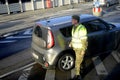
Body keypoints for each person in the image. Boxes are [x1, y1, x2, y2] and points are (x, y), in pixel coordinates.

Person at [69, 15, 88, 80]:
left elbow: (84, 40)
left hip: (80, 48)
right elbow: (74, 37)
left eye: (72, 20)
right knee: (80, 61)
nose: (71, 21)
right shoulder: (74, 27)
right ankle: (82, 69)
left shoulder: (82, 28)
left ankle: (77, 75)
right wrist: (71, 43)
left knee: (77, 62)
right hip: (75, 48)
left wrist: (83, 50)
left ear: (76, 21)